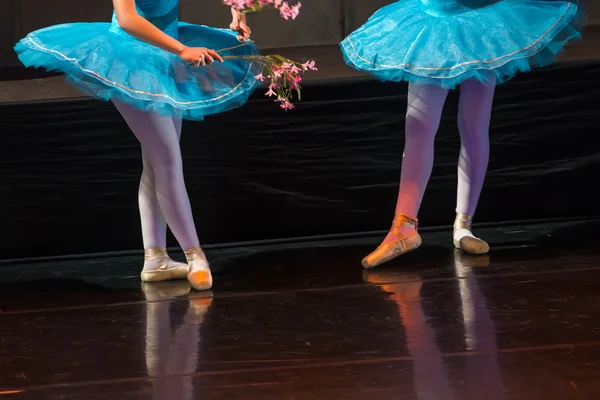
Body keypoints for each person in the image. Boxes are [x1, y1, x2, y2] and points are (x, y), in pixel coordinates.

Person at [15, 0, 261, 290]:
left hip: (167, 57)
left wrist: (238, 12)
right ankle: (195, 255)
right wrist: (182, 50)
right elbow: (128, 18)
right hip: (131, 61)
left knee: (157, 163)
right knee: (167, 159)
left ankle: (155, 258)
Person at [340, 0, 583, 269]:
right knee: (418, 126)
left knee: (474, 125)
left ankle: (463, 226)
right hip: (434, 22)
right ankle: (404, 226)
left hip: (479, 22)